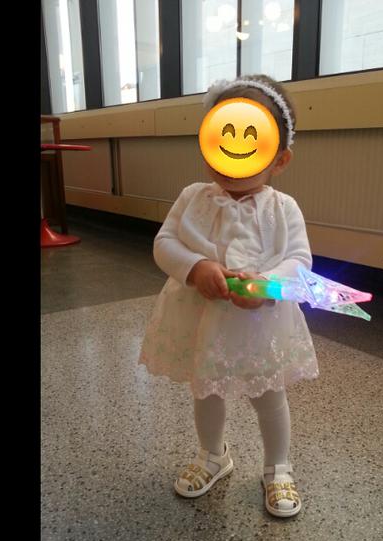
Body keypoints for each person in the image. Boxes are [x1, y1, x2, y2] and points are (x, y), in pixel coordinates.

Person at [139, 74, 318, 517]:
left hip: (260, 325)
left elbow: (300, 261)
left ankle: (278, 467)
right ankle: (213, 455)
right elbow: (164, 243)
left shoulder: (283, 208)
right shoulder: (192, 197)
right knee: (206, 391)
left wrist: (266, 284)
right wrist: (195, 267)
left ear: (280, 159)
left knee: (269, 396)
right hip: (201, 319)